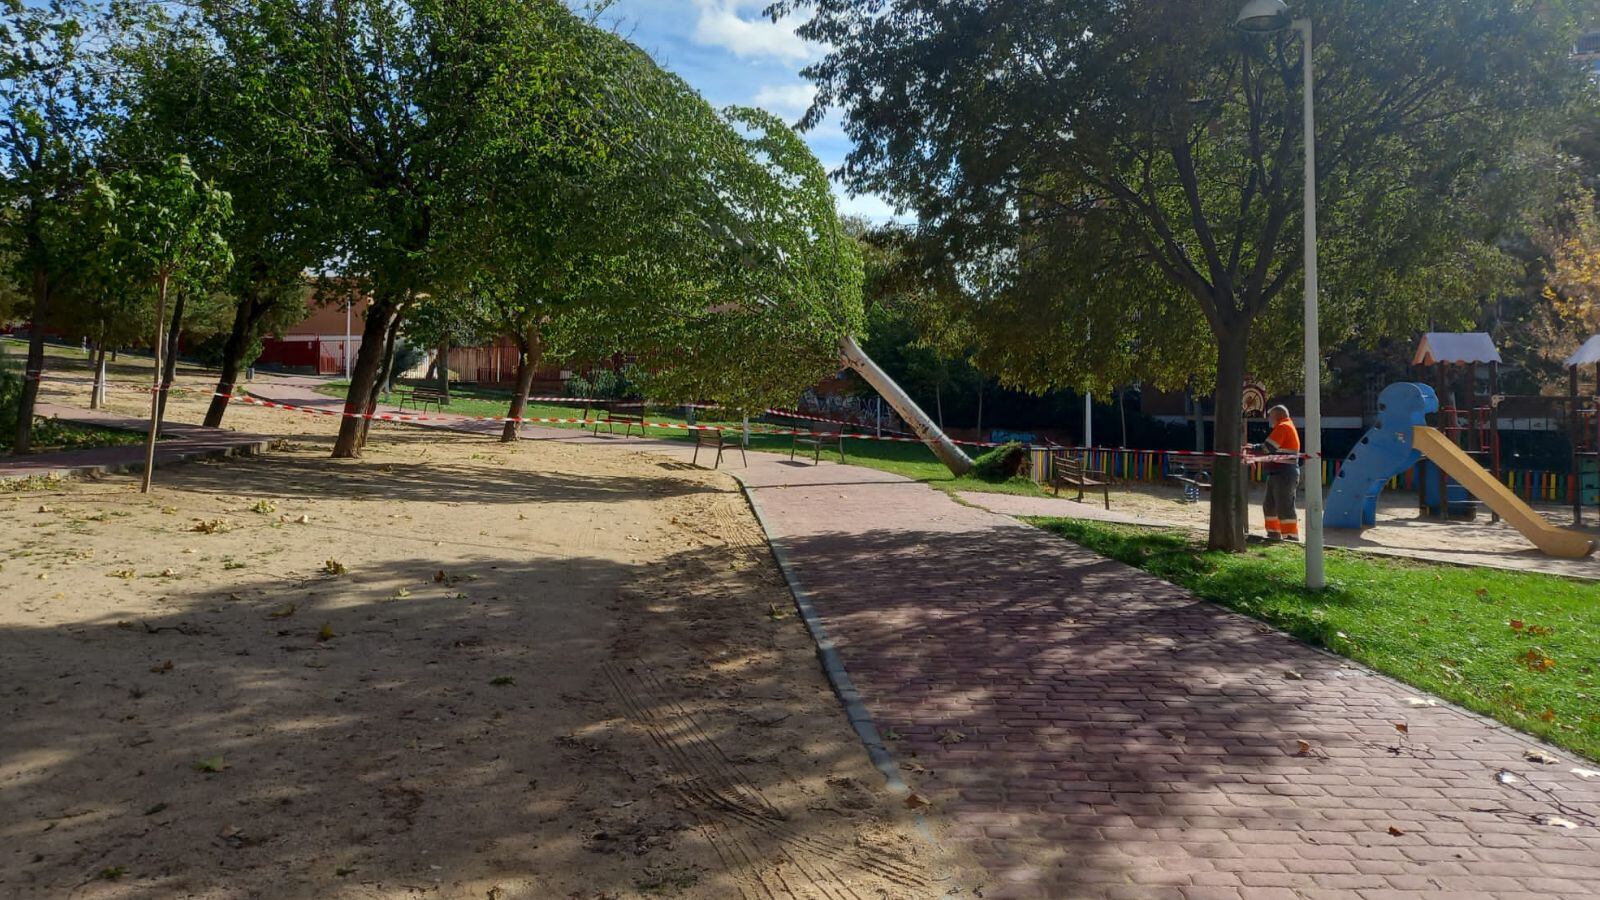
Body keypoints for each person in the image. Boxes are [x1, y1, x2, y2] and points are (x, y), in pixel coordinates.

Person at [1252, 405, 1302, 542]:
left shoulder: (1283, 427)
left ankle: (1290, 537)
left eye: (1270, 416)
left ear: (1277, 416)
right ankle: (1273, 533)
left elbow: (1267, 448)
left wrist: (1251, 448)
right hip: (1277, 473)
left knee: (1284, 505)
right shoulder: (1285, 426)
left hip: (1284, 473)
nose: (1269, 419)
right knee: (1269, 505)